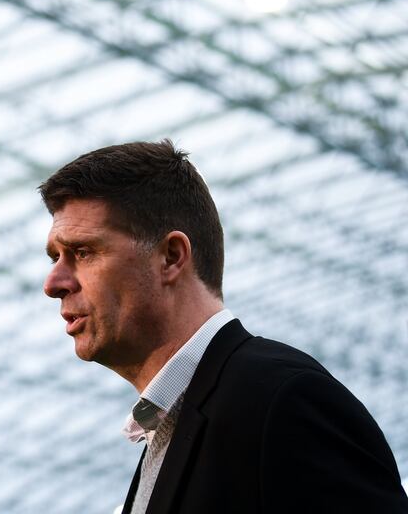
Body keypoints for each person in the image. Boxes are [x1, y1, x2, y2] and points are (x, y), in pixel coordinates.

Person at [39, 140, 408, 514]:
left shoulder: (282, 402)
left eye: (83, 253)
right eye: (55, 257)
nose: (53, 284)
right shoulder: (177, 423)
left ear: (170, 257)